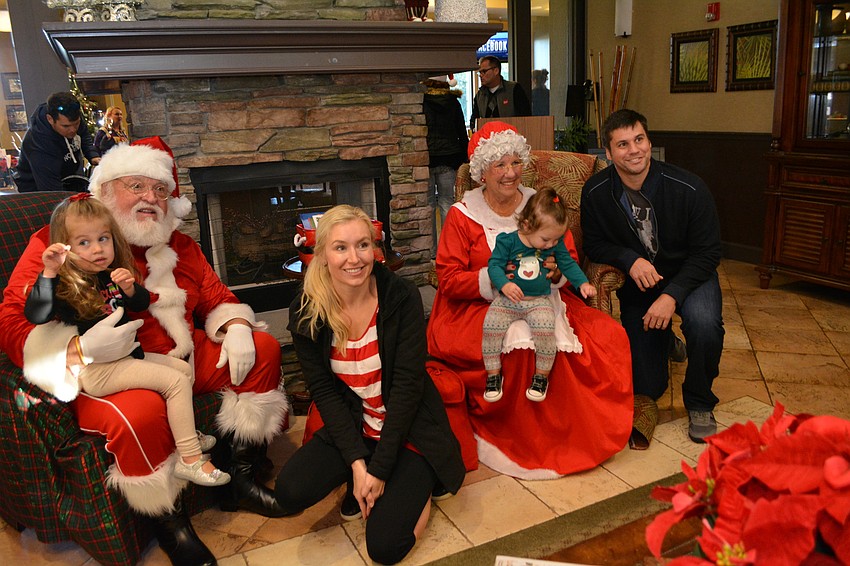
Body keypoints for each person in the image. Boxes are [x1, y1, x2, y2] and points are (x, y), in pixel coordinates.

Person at [0, 137, 290, 566]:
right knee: (141, 410)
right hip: (108, 369)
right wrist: (80, 348)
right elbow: (13, 323)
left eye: (159, 190)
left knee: (262, 348)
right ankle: (171, 524)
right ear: (104, 190)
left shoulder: (179, 245)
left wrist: (237, 324)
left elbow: (216, 295)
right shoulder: (58, 245)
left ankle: (239, 479)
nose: (150, 198)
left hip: (178, 356)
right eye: (136, 185)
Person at [427, 121, 632, 479]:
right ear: (481, 173)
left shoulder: (539, 205)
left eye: (515, 163)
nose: (510, 173)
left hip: (544, 297)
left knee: (606, 337)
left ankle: (569, 434)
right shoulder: (462, 215)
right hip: (476, 308)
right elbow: (448, 279)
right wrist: (497, 282)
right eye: (500, 165)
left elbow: (565, 254)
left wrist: (556, 274)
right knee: (519, 342)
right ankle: (523, 442)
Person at [276, 205, 465, 565]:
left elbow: (409, 387)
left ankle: (419, 480)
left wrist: (379, 470)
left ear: (375, 249)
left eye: (363, 245)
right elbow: (326, 393)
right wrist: (359, 466)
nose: (354, 258)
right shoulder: (307, 308)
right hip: (356, 424)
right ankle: (370, 480)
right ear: (323, 255)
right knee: (290, 491)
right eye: (341, 247)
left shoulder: (400, 296)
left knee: (384, 548)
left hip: (407, 427)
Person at [24, 193, 230, 488]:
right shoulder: (67, 284)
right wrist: (50, 272)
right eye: (84, 243)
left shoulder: (109, 275)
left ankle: (184, 433)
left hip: (127, 356)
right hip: (98, 369)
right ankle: (191, 458)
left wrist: (132, 289)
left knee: (181, 369)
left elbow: (140, 305)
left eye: (103, 239)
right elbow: (37, 313)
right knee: (175, 383)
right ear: (65, 247)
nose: (97, 249)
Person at [580, 109, 724, 445]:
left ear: (649, 141)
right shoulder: (596, 193)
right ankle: (667, 342)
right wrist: (629, 260)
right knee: (648, 386)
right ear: (608, 152)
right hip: (640, 284)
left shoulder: (689, 188)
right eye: (623, 144)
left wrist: (671, 295)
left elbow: (708, 253)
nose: (634, 150)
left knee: (704, 325)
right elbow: (595, 243)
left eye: (639, 139)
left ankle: (701, 400)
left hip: (691, 275)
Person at [483, 188, 597, 403]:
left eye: (556, 240)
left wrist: (582, 282)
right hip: (508, 300)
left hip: (538, 302)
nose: (551, 245)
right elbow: (494, 266)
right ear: (526, 225)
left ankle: (540, 377)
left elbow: (568, 263)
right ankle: (493, 375)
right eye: (546, 240)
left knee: (546, 332)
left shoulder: (554, 242)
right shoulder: (506, 241)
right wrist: (504, 285)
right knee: (490, 328)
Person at [12, 91, 101, 193]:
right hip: (36, 189)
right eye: (65, 126)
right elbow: (51, 191)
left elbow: (84, 134)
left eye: (76, 124)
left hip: (66, 179)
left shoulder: (73, 116)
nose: (73, 130)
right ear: (50, 119)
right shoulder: (39, 144)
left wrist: (92, 154)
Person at [422, 74, 468, 258]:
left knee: (427, 205)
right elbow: (461, 132)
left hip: (425, 159)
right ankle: (448, 249)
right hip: (449, 158)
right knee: (447, 202)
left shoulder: (421, 102)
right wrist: (465, 157)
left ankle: (430, 250)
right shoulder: (453, 102)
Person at [470, 56, 532, 131]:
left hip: (511, 138)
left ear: (496, 71)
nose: (481, 75)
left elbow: (526, 118)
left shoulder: (514, 89)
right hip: (487, 139)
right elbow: (474, 120)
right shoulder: (480, 95)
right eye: (479, 72)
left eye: (484, 71)